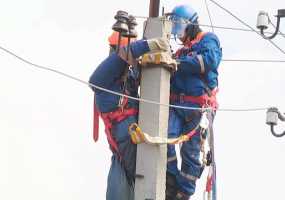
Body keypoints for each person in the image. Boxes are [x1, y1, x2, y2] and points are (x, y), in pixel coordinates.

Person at [89, 31, 169, 200]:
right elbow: (96, 79)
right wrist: (146, 45)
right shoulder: (104, 80)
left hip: (133, 139)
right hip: (126, 142)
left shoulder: (126, 75)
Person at [165, 4, 222, 200]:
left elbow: (208, 61)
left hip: (198, 107)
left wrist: (177, 64)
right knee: (165, 138)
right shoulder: (180, 53)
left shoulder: (208, 40)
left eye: (179, 29)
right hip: (177, 106)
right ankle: (171, 182)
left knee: (191, 154)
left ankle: (183, 193)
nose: (178, 35)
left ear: (190, 25)